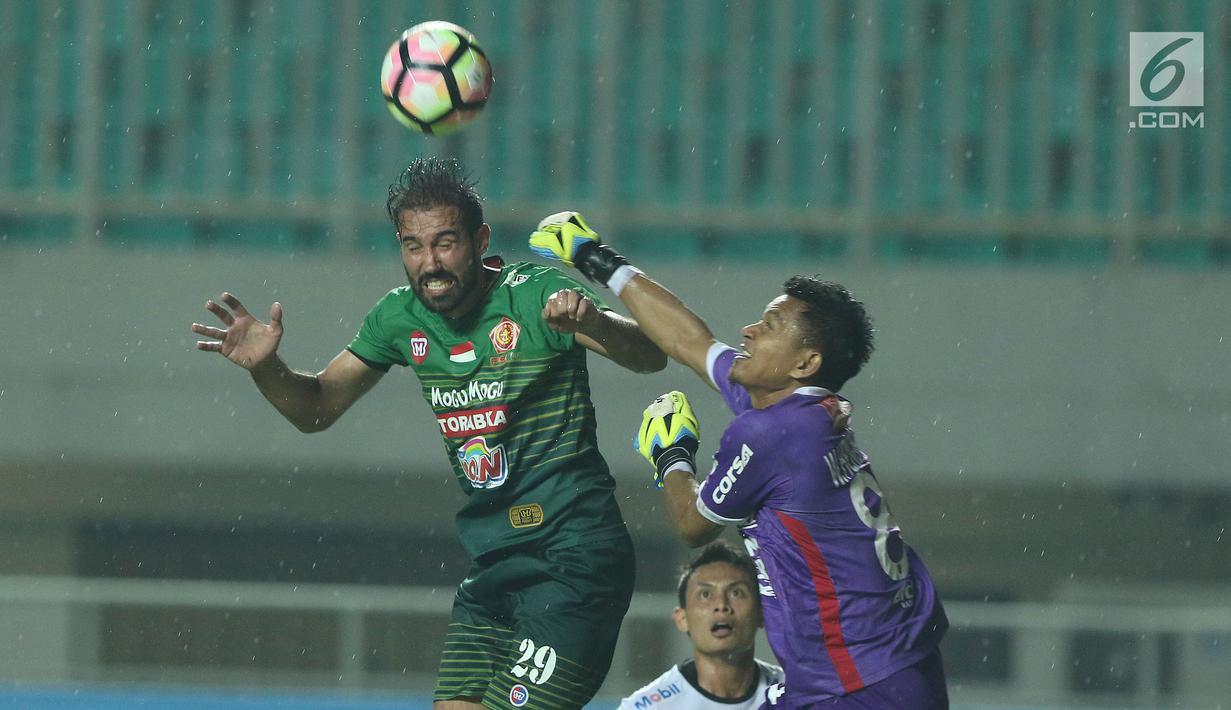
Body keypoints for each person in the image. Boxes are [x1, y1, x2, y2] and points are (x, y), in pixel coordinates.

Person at [190, 158, 667, 710]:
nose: (430, 263)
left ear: (480, 239)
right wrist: (266, 368)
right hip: (495, 563)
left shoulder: (535, 294)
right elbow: (316, 409)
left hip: (574, 558)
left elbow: (651, 356)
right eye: (413, 246)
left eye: (445, 242)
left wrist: (594, 322)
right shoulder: (398, 318)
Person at [528, 214, 950, 709]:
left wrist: (672, 455)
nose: (748, 331)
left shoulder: (774, 431)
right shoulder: (799, 408)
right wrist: (595, 257)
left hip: (857, 681)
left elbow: (693, 525)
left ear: (804, 363)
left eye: (769, 326)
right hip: (890, 665)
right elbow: (690, 342)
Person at [618, 541, 783, 710]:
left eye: (736, 592)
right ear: (682, 619)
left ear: (762, 614)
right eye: (705, 594)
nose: (721, 605)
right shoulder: (644, 707)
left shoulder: (796, 693)